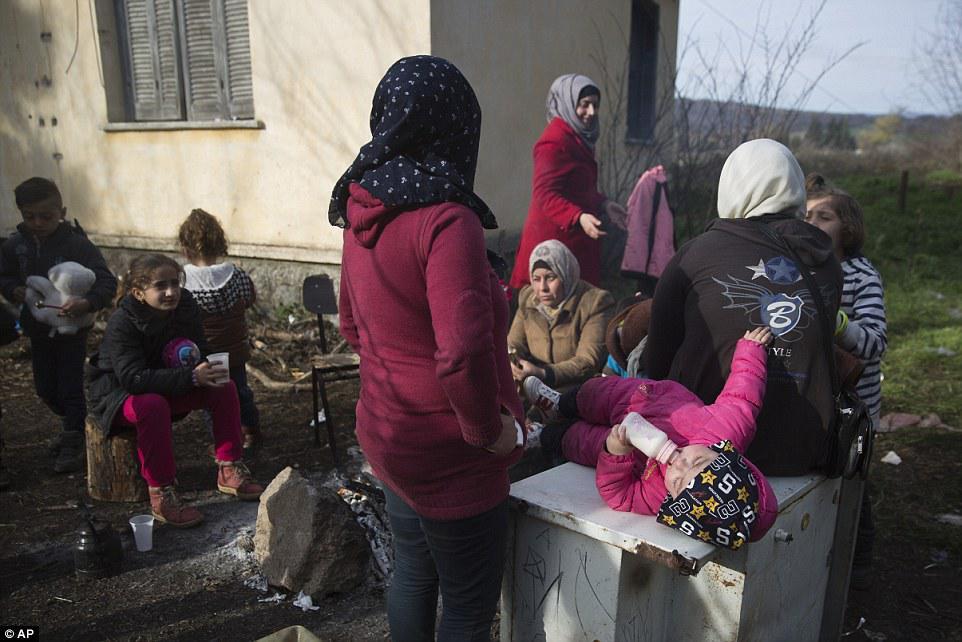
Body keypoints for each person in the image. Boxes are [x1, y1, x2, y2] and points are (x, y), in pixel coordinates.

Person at [329, 55, 523, 641]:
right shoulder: (446, 219)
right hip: (451, 450)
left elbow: (351, 326)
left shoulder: (363, 209)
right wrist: (488, 431)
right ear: (458, 127)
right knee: (466, 606)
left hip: (389, 434)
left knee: (413, 574)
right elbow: (462, 354)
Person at [644, 139, 843, 476]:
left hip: (705, 453)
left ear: (732, 185)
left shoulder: (696, 255)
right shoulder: (827, 262)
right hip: (799, 450)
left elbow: (657, 361)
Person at [524, 326, 778, 549]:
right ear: (724, 455)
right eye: (697, 462)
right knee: (594, 393)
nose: (679, 465)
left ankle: (543, 434)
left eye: (678, 482)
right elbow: (743, 394)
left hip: (622, 449)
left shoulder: (659, 495)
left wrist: (614, 454)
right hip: (643, 400)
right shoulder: (726, 429)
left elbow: (622, 495)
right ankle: (560, 404)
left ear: (677, 505)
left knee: (581, 442)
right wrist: (751, 351)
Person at [86, 254, 263, 527]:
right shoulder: (123, 322)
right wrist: (191, 377)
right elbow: (133, 378)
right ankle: (162, 492)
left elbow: (199, 345)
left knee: (224, 387)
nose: (170, 292)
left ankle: (229, 467)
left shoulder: (185, 306)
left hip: (171, 382)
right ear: (139, 292)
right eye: (160, 286)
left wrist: (206, 364)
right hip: (119, 395)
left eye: (174, 284)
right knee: (152, 405)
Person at [0, 177, 118, 474]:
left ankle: (73, 437)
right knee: (44, 388)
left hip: (72, 329)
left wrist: (87, 302)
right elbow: (4, 275)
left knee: (69, 385)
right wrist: (12, 288)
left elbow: (106, 281)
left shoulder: (77, 245)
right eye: (30, 216)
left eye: (46, 216)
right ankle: (76, 424)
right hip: (37, 330)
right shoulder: (16, 246)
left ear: (61, 211)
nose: (38, 222)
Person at [805, 173, 886, 590]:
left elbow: (875, 341)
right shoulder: (807, 270)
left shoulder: (859, 275)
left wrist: (840, 325)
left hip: (856, 405)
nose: (813, 223)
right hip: (821, 399)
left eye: (824, 217)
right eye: (807, 215)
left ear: (847, 227)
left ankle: (861, 564)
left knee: (855, 483)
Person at [509, 74, 627, 290]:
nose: (591, 112)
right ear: (569, 103)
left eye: (595, 105)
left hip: (573, 244)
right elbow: (545, 193)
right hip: (552, 248)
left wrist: (604, 204)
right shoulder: (553, 143)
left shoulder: (578, 138)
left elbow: (578, 189)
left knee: (578, 313)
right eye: (584, 105)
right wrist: (578, 216)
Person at [178, 208, 261, 455]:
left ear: (185, 247)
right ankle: (250, 430)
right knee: (241, 390)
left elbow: (180, 316)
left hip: (205, 352)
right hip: (235, 348)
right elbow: (248, 299)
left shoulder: (183, 280)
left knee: (212, 398)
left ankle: (223, 440)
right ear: (220, 241)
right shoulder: (236, 275)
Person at [508, 239, 614, 389]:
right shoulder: (529, 299)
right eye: (536, 279)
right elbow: (514, 344)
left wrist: (543, 373)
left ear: (566, 275)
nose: (542, 288)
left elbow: (587, 362)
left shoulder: (595, 302)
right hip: (535, 385)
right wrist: (512, 362)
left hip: (579, 389)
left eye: (550, 277)